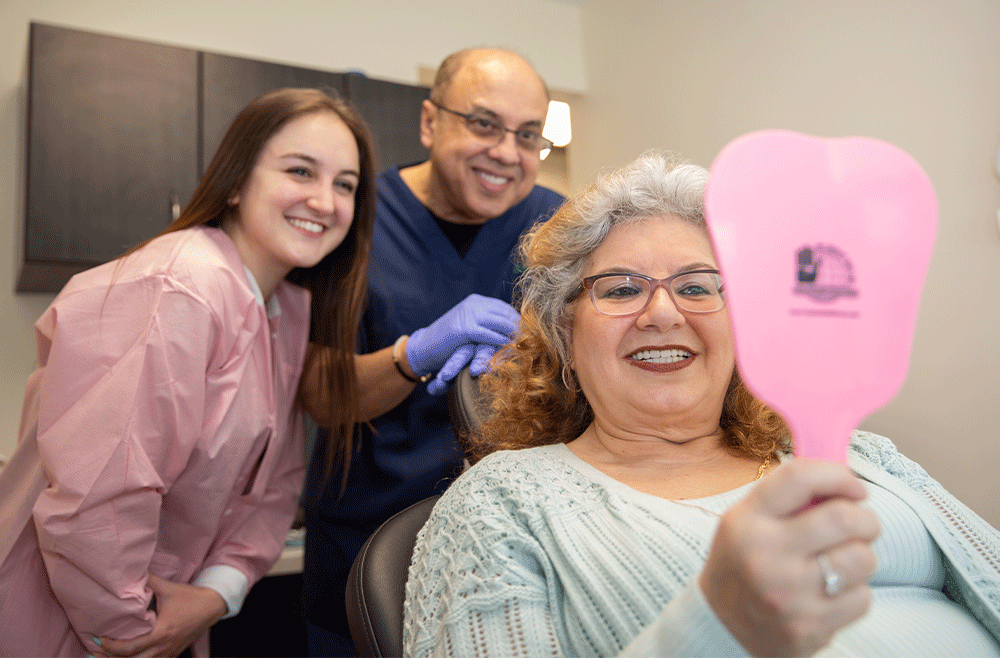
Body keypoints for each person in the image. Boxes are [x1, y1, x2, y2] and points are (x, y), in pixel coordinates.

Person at [403, 151, 1000, 657]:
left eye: (697, 286)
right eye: (620, 290)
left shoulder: (868, 457)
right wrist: (715, 622)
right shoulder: (500, 505)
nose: (663, 314)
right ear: (566, 334)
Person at [0, 87, 377, 657]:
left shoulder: (287, 312)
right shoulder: (177, 287)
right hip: (71, 618)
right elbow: (98, 499)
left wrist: (216, 595)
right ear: (234, 182)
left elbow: (272, 485)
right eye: (300, 171)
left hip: (166, 619)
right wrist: (129, 633)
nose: (324, 201)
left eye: (345, 184)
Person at [299, 47, 565, 655]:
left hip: (506, 546)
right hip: (363, 538)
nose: (506, 152)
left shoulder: (554, 227)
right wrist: (412, 354)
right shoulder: (354, 215)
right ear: (429, 122)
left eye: (528, 135)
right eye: (483, 123)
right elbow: (319, 395)